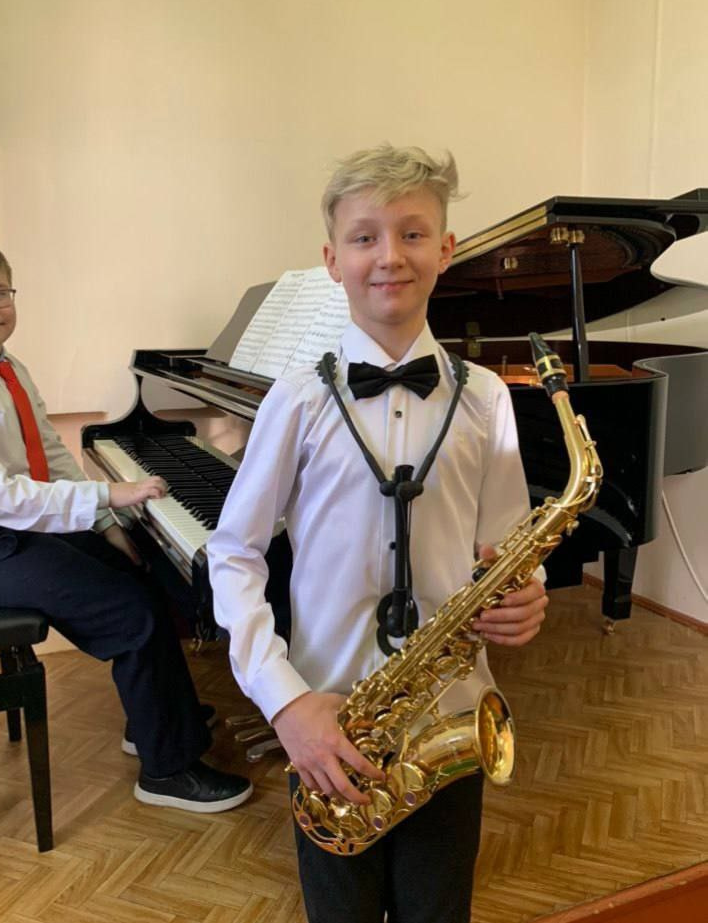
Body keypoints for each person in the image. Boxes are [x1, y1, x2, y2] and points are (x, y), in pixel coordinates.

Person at [208, 144, 548, 921]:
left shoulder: (486, 398)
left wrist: (526, 597)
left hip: (450, 716)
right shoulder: (296, 399)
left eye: (413, 233)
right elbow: (233, 551)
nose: (389, 255)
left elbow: (506, 550)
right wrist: (285, 704)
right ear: (333, 259)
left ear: (447, 248)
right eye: (365, 237)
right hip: (326, 727)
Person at [0, 233, 252, 814]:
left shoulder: (4, 366)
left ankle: (154, 719)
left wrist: (107, 521)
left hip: (6, 530)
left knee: (139, 567)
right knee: (129, 613)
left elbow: (50, 455)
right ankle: (166, 770)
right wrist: (110, 492)